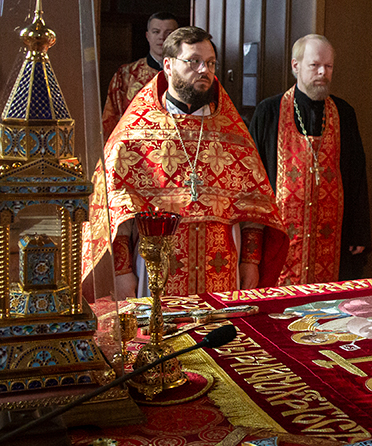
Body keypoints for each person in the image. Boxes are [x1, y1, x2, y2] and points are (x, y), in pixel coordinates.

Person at [84, 26, 286, 298]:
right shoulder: (136, 133)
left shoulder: (233, 133)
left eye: (210, 63)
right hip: (157, 264)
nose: (204, 70)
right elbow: (117, 210)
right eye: (194, 61)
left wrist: (250, 261)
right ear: (168, 65)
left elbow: (254, 206)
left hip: (222, 265)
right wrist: (122, 272)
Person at [248, 34, 371, 284]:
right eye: (315, 65)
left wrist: (359, 231)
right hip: (281, 237)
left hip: (332, 238)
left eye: (328, 66)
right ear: (296, 66)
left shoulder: (344, 113)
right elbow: (253, 179)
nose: (323, 73)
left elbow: (357, 175)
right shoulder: (269, 112)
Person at [101, 12, 182, 138]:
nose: (162, 37)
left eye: (169, 33)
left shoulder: (186, 75)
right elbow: (111, 119)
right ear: (147, 36)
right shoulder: (126, 74)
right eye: (156, 32)